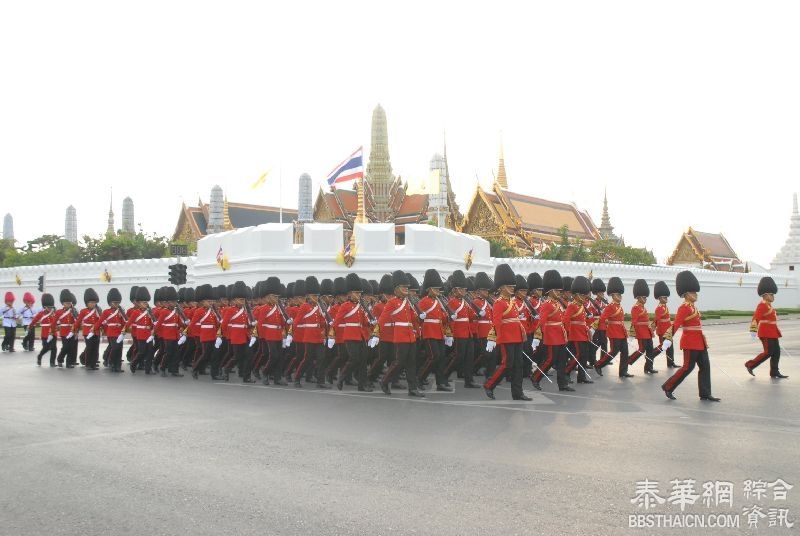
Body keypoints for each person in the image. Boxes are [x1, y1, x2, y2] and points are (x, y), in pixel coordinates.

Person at [661, 271, 720, 402]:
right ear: (687, 294)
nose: (696, 294)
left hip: (699, 342)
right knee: (687, 367)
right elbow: (676, 324)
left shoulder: (693, 307)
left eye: (695, 292)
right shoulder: (684, 308)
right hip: (690, 342)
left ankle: (705, 393)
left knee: (705, 366)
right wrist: (668, 339)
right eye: (693, 293)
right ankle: (668, 387)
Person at [483, 263, 529, 400]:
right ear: (502, 287)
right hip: (507, 338)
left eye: (512, 286)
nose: (512, 288)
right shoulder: (499, 303)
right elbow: (496, 323)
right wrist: (494, 339)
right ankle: (489, 385)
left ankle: (517, 393)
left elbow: (516, 320)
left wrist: (522, 334)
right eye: (510, 286)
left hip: (517, 337)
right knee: (507, 365)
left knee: (518, 365)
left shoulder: (512, 302)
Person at [378, 270, 424, 397]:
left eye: (406, 287)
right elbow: (382, 319)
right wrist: (376, 334)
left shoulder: (408, 302)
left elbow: (412, 319)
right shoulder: (392, 302)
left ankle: (412, 388)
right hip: (400, 335)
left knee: (411, 363)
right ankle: (385, 380)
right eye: (404, 287)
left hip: (410, 335)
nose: (406, 289)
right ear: (397, 288)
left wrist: (419, 317)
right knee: (399, 362)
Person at [531, 270, 572, 391]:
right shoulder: (547, 304)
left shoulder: (557, 303)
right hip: (551, 336)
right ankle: (536, 377)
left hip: (560, 335)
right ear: (550, 291)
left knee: (562, 361)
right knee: (550, 360)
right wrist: (538, 337)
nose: (559, 292)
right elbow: (541, 322)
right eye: (557, 290)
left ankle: (562, 384)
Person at [333, 273, 373, 392]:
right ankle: (342, 377)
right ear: (349, 294)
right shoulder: (345, 306)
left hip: (361, 336)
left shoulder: (361, 306)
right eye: (356, 293)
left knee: (363, 360)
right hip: (350, 336)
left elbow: (364, 321)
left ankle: (362, 385)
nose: (359, 295)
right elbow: (337, 321)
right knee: (354, 359)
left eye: (360, 293)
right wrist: (331, 334)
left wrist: (371, 322)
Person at [416, 269, 452, 391]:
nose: (438, 291)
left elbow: (441, 318)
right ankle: (419, 378)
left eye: (438, 289)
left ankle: (440, 382)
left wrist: (448, 316)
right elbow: (417, 317)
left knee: (441, 357)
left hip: (439, 332)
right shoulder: (423, 302)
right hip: (429, 332)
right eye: (435, 289)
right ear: (429, 289)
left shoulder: (438, 301)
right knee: (433, 357)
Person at [745, 276, 787, 379]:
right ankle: (750, 365)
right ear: (765, 295)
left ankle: (774, 371)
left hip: (772, 332)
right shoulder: (762, 305)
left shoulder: (768, 305)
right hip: (766, 333)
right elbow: (755, 318)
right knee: (768, 352)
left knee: (776, 352)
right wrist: (753, 331)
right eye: (772, 294)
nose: (773, 296)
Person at [627, 279, 669, 374]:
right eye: (644, 297)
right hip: (641, 333)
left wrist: (650, 329)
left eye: (646, 297)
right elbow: (634, 322)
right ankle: (628, 361)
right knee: (642, 350)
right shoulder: (636, 308)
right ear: (638, 297)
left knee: (650, 350)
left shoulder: (642, 307)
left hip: (647, 332)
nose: (646, 299)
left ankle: (648, 367)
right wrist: (633, 334)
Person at [593, 277, 633, 378]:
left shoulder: (619, 306)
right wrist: (609, 323)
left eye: (620, 295)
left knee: (625, 352)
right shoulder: (610, 306)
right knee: (613, 352)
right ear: (613, 295)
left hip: (621, 332)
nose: (620, 296)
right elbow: (602, 318)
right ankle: (598, 365)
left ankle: (623, 371)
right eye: (618, 294)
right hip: (614, 332)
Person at [563, 276, 594, 384]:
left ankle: (581, 377)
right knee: (577, 355)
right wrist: (568, 333)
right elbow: (565, 320)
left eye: (584, 294)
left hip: (582, 334)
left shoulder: (581, 306)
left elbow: (584, 321)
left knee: (584, 356)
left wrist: (587, 329)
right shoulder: (572, 306)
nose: (584, 296)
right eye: (582, 294)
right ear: (575, 295)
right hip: (575, 334)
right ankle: (566, 372)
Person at [99, 288, 126, 372]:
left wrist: (124, 328)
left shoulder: (121, 311)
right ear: (110, 303)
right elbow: (100, 322)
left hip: (119, 333)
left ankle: (118, 366)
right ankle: (111, 362)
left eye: (118, 303)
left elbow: (124, 322)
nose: (117, 304)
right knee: (114, 348)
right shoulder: (106, 312)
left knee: (119, 349)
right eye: (115, 303)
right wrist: (94, 329)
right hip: (111, 333)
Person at [74, 288, 101, 370]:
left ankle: (93, 363)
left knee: (95, 348)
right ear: (87, 303)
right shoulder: (83, 311)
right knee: (89, 348)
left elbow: (100, 321)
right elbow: (78, 321)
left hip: (96, 331)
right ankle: (88, 364)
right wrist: (74, 330)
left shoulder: (98, 311)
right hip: (87, 332)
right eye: (91, 302)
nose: (93, 304)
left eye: (94, 302)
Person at [653, 281, 678, 368]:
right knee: (663, 347)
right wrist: (652, 330)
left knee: (670, 347)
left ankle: (671, 363)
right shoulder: (659, 308)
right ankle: (651, 355)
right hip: (663, 331)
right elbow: (656, 320)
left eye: (666, 297)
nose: (666, 298)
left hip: (668, 330)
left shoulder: (664, 306)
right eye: (664, 297)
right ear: (660, 298)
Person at [29, 293, 56, 366]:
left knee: (54, 348)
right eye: (48, 307)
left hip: (53, 333)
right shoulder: (41, 313)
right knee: (46, 348)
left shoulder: (54, 313)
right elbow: (34, 320)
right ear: (45, 306)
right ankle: (40, 356)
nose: (50, 308)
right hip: (45, 333)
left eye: (51, 307)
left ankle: (52, 362)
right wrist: (30, 327)